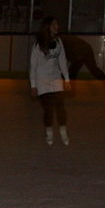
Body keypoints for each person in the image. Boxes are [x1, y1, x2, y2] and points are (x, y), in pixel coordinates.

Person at [30, 16, 71, 146]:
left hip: (55, 78)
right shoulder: (38, 44)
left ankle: (63, 132)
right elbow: (33, 65)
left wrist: (67, 79)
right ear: (48, 27)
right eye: (54, 25)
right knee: (48, 109)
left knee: (60, 106)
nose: (57, 27)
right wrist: (33, 85)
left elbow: (62, 61)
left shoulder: (58, 42)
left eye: (57, 24)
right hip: (42, 79)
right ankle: (49, 133)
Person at [59, 34, 105, 99]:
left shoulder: (58, 42)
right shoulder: (61, 39)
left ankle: (71, 92)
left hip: (78, 51)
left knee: (72, 72)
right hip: (85, 49)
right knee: (94, 70)